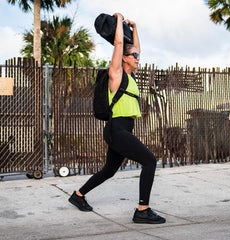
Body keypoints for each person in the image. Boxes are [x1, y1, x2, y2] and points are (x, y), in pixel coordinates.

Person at [69, 13, 166, 224]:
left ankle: (78, 196)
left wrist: (136, 28)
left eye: (138, 56)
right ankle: (142, 210)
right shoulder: (117, 73)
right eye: (134, 56)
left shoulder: (130, 77)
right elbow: (120, 43)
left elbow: (134, 48)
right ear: (123, 57)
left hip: (124, 129)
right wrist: (120, 19)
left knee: (109, 171)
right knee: (149, 161)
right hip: (117, 129)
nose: (138, 58)